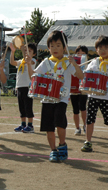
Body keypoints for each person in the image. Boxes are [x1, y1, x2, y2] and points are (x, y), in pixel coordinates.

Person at [25, 30, 84, 162]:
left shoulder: (68, 62)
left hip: (61, 98)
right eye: (52, 46)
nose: (55, 48)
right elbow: (33, 76)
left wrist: (74, 64)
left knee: (60, 122)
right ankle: (53, 150)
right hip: (47, 99)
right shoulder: (46, 62)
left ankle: (62, 145)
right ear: (48, 48)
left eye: (58, 45)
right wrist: (29, 64)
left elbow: (81, 76)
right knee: (48, 126)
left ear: (64, 47)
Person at [10, 42, 37, 133]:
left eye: (29, 51)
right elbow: (12, 62)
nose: (27, 52)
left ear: (34, 54)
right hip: (19, 86)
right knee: (21, 107)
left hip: (28, 86)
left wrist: (28, 58)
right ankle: (23, 124)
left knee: (28, 106)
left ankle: (30, 125)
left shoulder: (32, 60)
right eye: (26, 50)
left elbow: (31, 61)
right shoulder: (21, 61)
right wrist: (13, 52)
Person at [70, 45, 89, 135]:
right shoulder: (72, 62)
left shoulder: (87, 63)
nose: (80, 54)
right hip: (73, 87)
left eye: (83, 53)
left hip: (83, 87)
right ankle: (77, 128)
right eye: (78, 52)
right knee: (75, 109)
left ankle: (85, 126)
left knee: (83, 108)